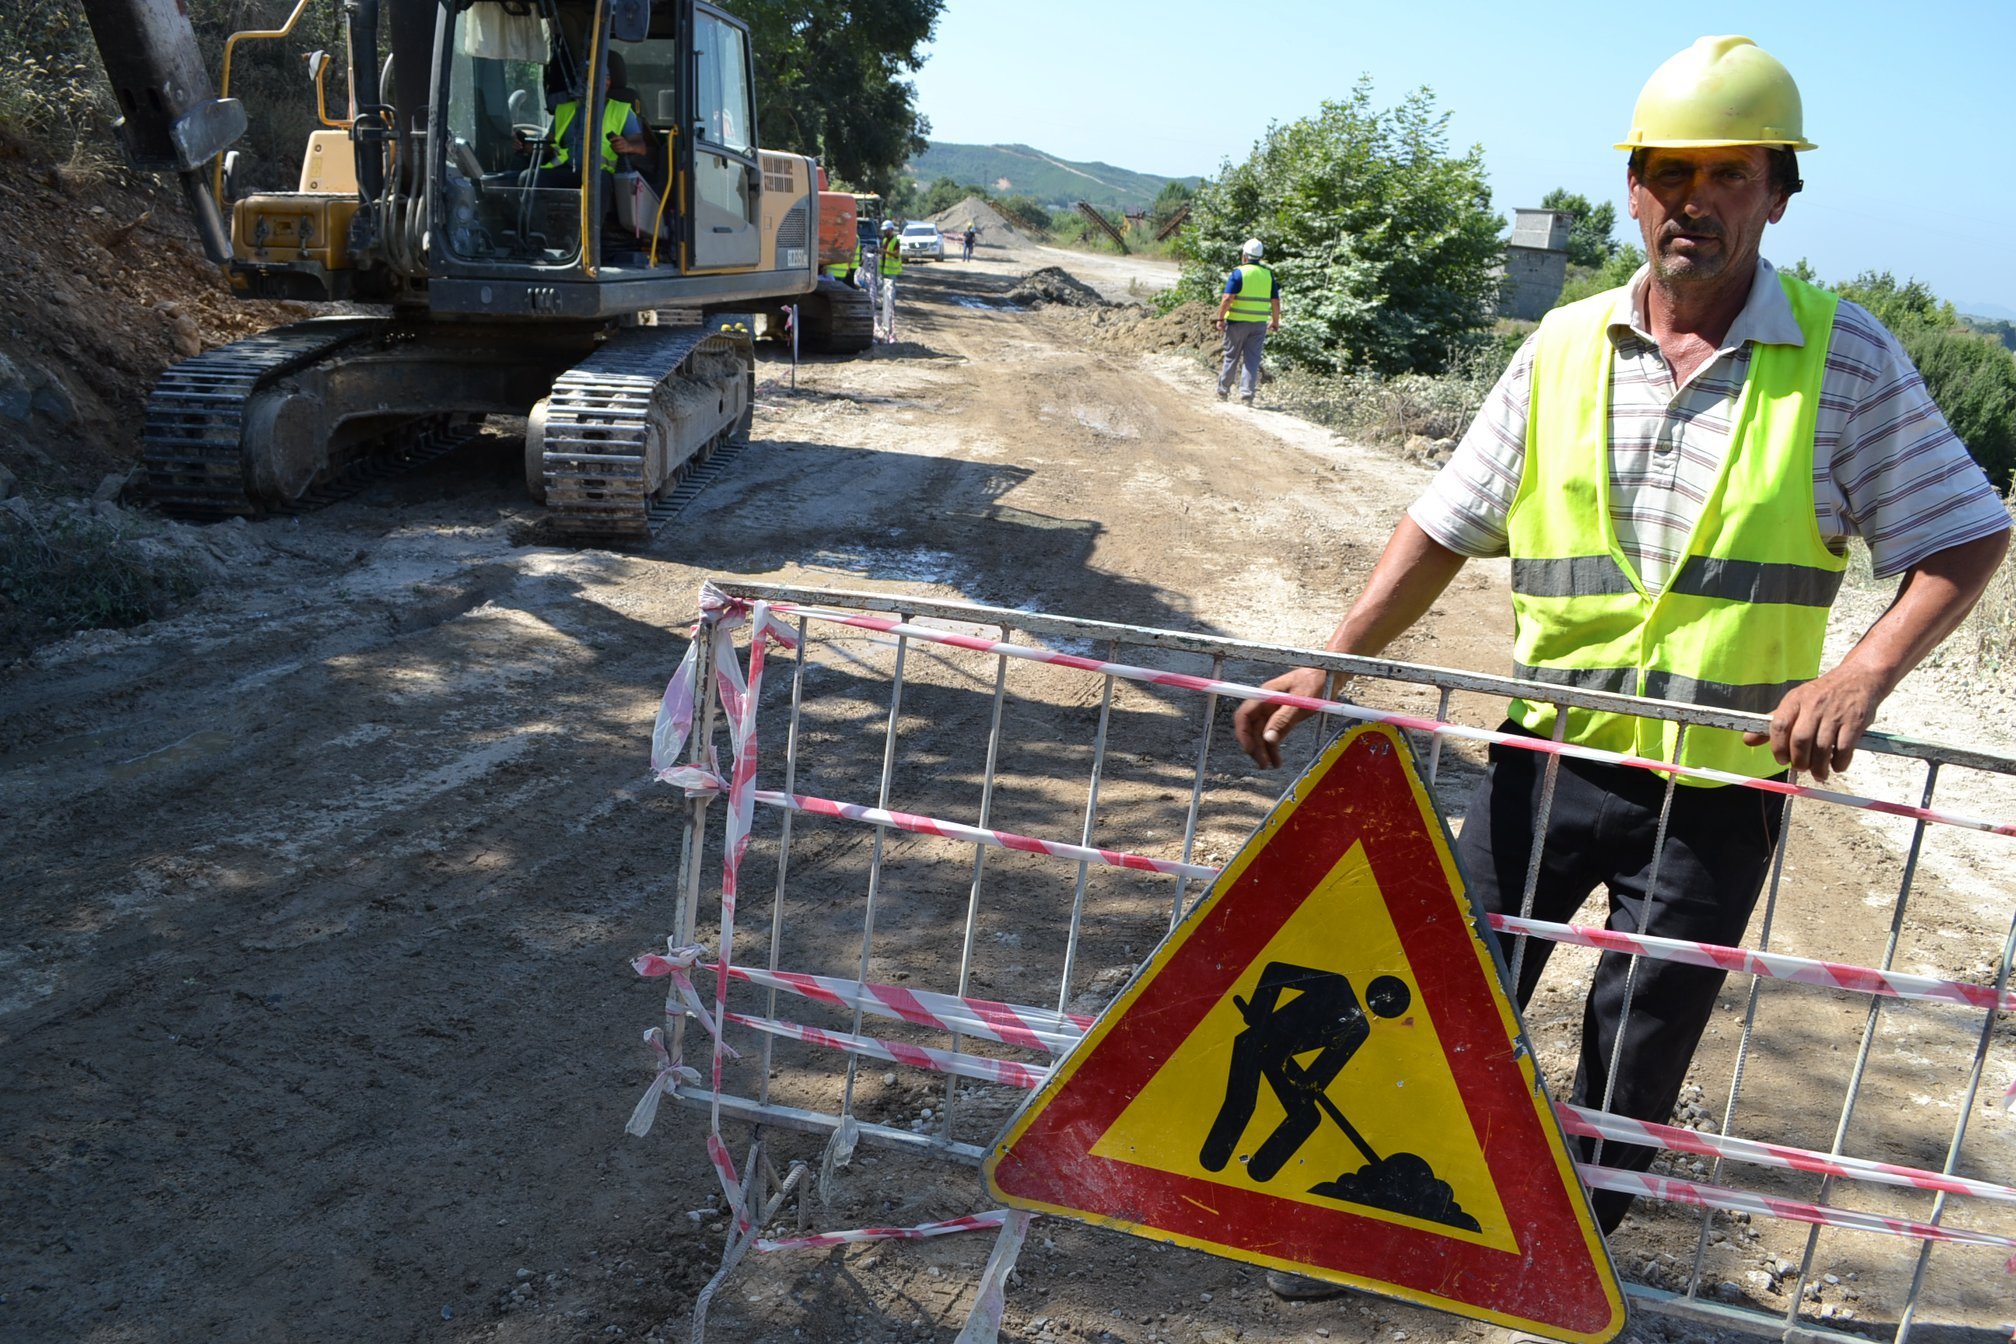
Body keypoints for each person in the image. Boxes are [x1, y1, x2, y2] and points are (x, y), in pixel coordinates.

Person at [1231, 34, 2010, 1323]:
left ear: (1778, 192)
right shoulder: (1560, 348)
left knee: (1636, 1052)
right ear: (1631, 186)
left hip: (1717, 787)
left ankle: (1555, 1261)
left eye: (1726, 173)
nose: (1687, 199)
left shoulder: (1845, 358)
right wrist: (1330, 660)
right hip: (1549, 758)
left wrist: (1864, 675)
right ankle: (1361, 1224)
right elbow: (1442, 523)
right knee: (1444, 993)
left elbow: (1965, 530)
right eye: (1662, 170)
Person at [520, 51, 648, 192]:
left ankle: (595, 215)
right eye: (588, 77)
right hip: (567, 169)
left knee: (596, 184)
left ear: (609, 82)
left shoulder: (622, 110)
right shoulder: (564, 110)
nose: (597, 81)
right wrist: (530, 147)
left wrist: (628, 146)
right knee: (528, 177)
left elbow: (641, 147)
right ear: (580, 81)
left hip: (601, 173)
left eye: (604, 77)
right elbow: (549, 145)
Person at [1214, 238, 1279, 405]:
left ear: (1244, 256)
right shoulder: (1268, 275)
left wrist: (1220, 318)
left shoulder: (1239, 273)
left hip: (1237, 323)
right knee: (1252, 359)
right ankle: (1247, 396)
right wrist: (1275, 321)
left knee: (1231, 357)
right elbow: (1275, 302)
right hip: (1258, 324)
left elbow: (1227, 298)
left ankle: (1223, 392)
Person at [876, 219, 903, 342]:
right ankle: (887, 307)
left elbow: (896, 254)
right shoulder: (885, 240)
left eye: (886, 230)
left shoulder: (896, 240)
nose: (884, 232)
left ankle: (891, 309)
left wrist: (885, 251)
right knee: (885, 292)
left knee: (891, 292)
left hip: (892, 271)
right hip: (885, 270)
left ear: (891, 230)